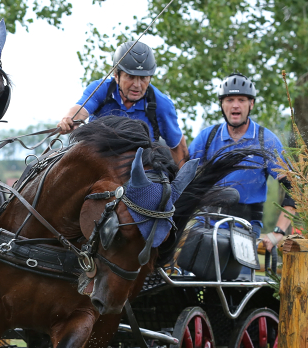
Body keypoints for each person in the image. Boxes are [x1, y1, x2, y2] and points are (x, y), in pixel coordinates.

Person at [188, 72, 295, 261]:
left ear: (251, 104)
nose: (235, 105)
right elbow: (181, 178)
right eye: (229, 100)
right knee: (193, 285)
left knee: (237, 285)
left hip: (244, 229)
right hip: (204, 224)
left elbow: (294, 189)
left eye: (241, 100)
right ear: (222, 104)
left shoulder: (266, 141)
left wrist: (278, 232)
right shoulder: (207, 138)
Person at [57, 41, 189, 166]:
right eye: (130, 77)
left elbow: (177, 145)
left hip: (142, 169)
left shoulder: (162, 104)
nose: (137, 85)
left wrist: (184, 185)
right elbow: (81, 109)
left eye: (143, 78)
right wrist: (70, 119)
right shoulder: (101, 88)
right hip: (98, 160)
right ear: (116, 75)